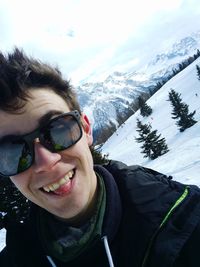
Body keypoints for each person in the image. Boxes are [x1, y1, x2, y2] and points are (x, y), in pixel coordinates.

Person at [0, 48, 200, 267]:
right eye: (12, 151)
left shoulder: (183, 221)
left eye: (57, 130)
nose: (46, 162)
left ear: (86, 129)